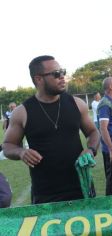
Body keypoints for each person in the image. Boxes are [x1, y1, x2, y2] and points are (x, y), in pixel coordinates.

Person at [2, 55, 100, 204]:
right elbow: (8, 145)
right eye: (56, 74)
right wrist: (21, 152)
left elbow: (93, 132)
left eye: (63, 72)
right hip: (45, 193)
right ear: (38, 79)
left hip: (81, 186)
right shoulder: (22, 112)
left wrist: (91, 149)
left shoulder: (77, 104)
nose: (62, 77)